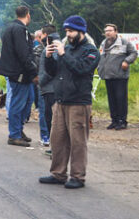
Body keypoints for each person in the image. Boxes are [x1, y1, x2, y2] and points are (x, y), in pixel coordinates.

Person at [39, 16, 100, 189]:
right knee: (57, 139)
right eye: (66, 31)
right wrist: (50, 57)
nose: (68, 34)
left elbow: (81, 69)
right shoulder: (65, 48)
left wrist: (63, 54)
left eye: (71, 31)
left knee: (78, 141)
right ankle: (58, 173)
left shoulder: (91, 51)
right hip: (60, 101)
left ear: (81, 31)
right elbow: (52, 72)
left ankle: (78, 177)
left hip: (78, 102)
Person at [0, 6, 39, 147]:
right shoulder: (19, 30)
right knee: (18, 104)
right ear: (28, 15)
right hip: (20, 73)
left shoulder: (10, 28)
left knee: (29, 100)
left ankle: (19, 130)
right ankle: (14, 135)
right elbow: (24, 54)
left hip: (20, 72)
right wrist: (34, 73)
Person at [97, 23, 138, 130]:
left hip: (120, 76)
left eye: (110, 30)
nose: (107, 32)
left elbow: (133, 53)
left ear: (116, 31)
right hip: (107, 75)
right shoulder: (103, 43)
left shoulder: (124, 42)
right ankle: (114, 121)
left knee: (121, 99)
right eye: (106, 31)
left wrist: (126, 61)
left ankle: (122, 121)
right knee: (112, 100)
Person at [37, 25, 59, 148]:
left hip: (50, 88)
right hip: (51, 87)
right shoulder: (53, 46)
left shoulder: (51, 48)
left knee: (50, 118)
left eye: (42, 36)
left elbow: (52, 69)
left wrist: (41, 81)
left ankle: (53, 144)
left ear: (46, 35)